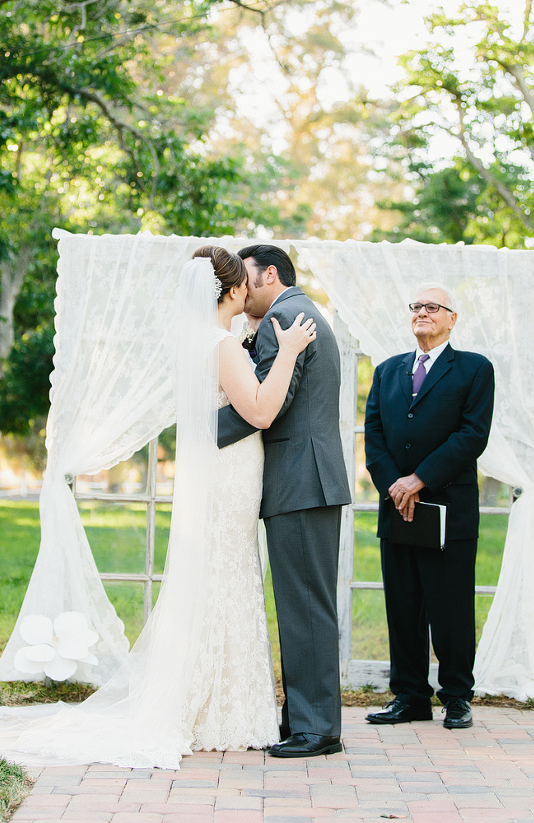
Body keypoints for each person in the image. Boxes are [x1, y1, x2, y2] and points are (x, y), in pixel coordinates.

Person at [0, 246, 316, 769]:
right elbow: (263, 411)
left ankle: (221, 704)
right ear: (229, 291)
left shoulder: (203, 342)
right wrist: (289, 350)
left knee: (220, 575)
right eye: (242, 282)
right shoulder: (223, 344)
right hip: (229, 477)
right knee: (227, 573)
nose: (249, 289)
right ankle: (222, 709)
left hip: (221, 473)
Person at [217, 243, 353, 758]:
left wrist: (200, 426)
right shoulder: (295, 312)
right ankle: (304, 717)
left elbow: (266, 407)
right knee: (303, 604)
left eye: (247, 278)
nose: (240, 288)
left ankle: (316, 730)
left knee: (306, 607)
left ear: (269, 273)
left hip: (302, 480)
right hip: (305, 480)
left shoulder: (287, 316)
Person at [363, 285, 494, 731]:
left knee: (451, 607)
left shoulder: (475, 370)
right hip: (398, 507)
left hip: (448, 509)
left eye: (431, 307)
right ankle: (410, 697)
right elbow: (374, 437)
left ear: (452, 318)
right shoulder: (386, 371)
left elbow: (472, 436)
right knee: (403, 606)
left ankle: (457, 697)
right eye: (416, 306)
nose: (421, 312)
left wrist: (419, 479)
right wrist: (397, 487)